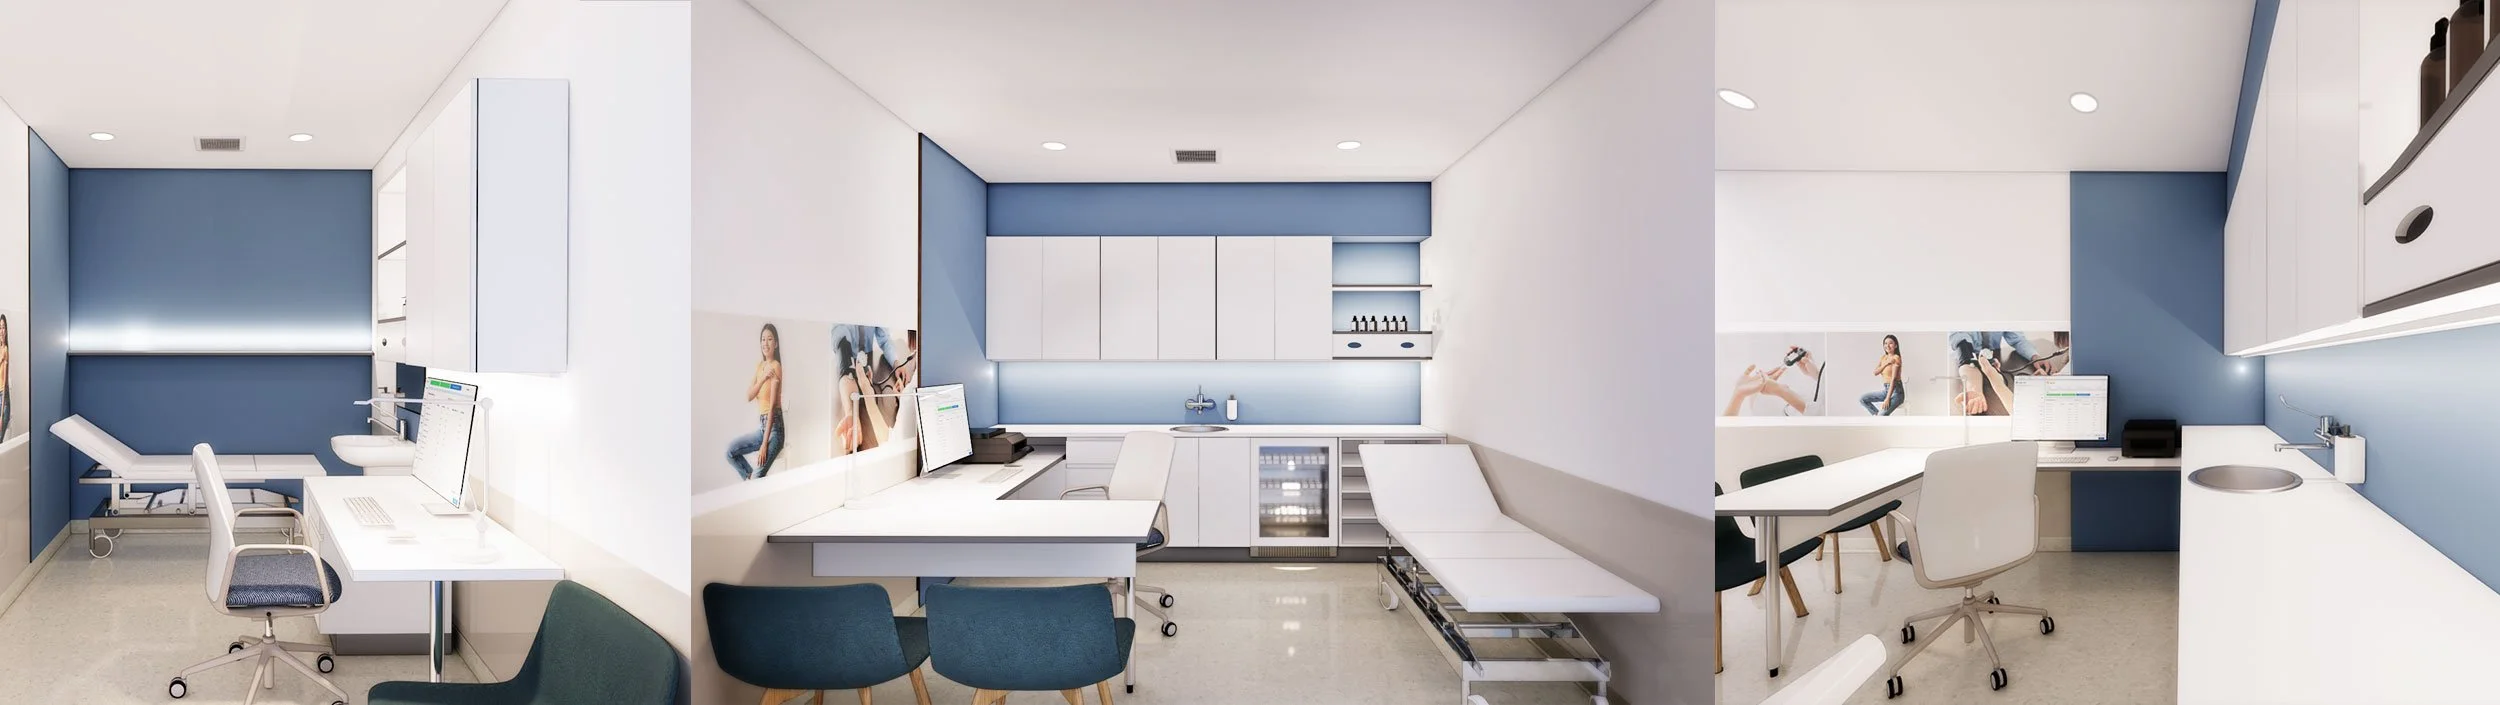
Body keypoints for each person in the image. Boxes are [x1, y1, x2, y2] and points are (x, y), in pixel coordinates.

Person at [726, 324, 784, 479]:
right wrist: (763, 376)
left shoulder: (776, 366)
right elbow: (749, 395)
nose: (765, 343)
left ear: (776, 344)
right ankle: (750, 476)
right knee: (730, 452)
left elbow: (772, 408)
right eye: (763, 339)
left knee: (759, 478)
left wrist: (764, 444)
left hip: (774, 431)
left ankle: (755, 480)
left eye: (770, 339)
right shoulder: (761, 367)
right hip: (762, 428)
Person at [1858, 334, 1904, 415]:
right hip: (1886, 390)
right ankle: (1876, 416)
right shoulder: (1883, 358)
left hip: (1896, 392)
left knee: (1882, 415)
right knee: (1862, 399)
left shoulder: (1896, 358)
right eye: (1885, 343)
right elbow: (1875, 372)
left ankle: (1879, 417)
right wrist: (1886, 363)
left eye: (1890, 343)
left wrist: (1887, 398)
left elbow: (1893, 379)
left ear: (1896, 345)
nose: (1887, 346)